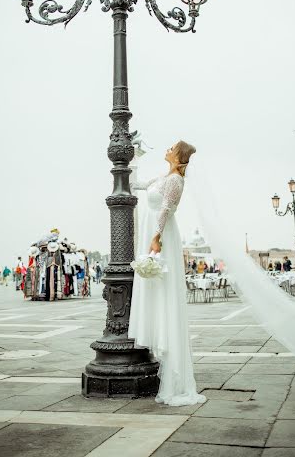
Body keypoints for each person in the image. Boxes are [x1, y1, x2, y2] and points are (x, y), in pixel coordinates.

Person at [129, 140, 206, 406]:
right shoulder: (164, 176)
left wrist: (156, 237)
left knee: (164, 293)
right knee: (156, 292)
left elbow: (166, 209)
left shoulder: (175, 181)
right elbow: (139, 186)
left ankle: (174, 374)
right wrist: (125, 165)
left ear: (177, 156)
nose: (167, 149)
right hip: (153, 230)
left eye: (171, 147)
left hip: (160, 234)